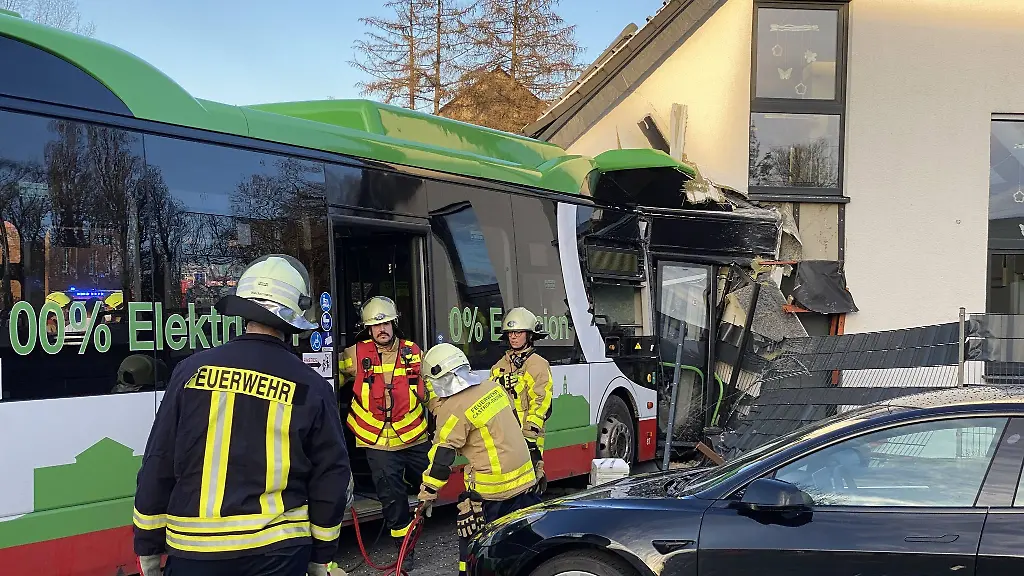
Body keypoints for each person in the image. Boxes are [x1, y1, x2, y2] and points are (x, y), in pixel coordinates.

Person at [132, 254, 352, 576]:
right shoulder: (310, 385)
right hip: (276, 553)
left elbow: (158, 463)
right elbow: (331, 476)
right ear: (296, 312)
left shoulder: (189, 372)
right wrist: (321, 556)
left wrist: (148, 547)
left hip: (194, 553)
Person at [418, 343, 541, 576]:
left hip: (492, 494)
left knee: (474, 548)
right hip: (525, 483)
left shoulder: (454, 408)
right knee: (521, 547)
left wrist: (427, 493)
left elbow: (442, 458)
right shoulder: (493, 388)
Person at [338, 295, 428, 563]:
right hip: (376, 440)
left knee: (434, 481)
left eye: (386, 324)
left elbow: (431, 390)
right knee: (392, 498)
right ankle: (404, 548)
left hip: (413, 435)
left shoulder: (413, 352)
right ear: (368, 328)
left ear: (394, 323)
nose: (382, 329)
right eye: (376, 325)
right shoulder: (355, 354)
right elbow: (328, 377)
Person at [489, 307, 554, 493]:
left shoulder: (537, 364)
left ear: (529, 335)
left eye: (518, 332)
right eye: (510, 333)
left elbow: (541, 401)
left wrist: (530, 434)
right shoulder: (499, 366)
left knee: (530, 484)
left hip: (528, 435)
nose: (513, 337)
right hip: (504, 436)